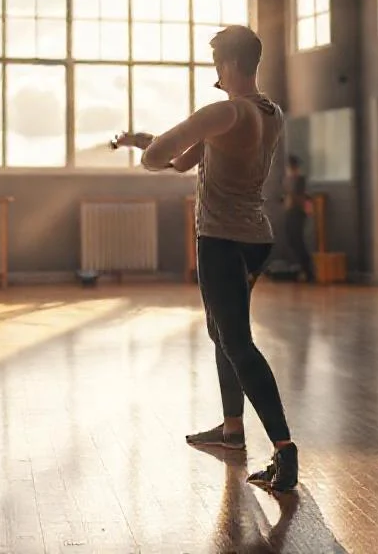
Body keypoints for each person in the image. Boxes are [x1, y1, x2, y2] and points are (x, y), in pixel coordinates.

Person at [112, 25, 297, 493]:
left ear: (230, 66)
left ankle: (284, 450)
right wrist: (140, 139)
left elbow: (160, 158)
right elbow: (184, 159)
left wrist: (147, 151)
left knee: (237, 342)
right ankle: (232, 431)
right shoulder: (269, 111)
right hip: (255, 239)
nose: (215, 72)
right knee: (223, 333)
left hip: (220, 239)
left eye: (217, 64)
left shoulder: (224, 111)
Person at [283, 155, 316, 282]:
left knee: (297, 240)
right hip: (291, 211)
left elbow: (298, 196)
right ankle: (304, 269)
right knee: (292, 239)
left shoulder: (299, 180)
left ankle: (308, 271)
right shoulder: (289, 179)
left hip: (297, 212)